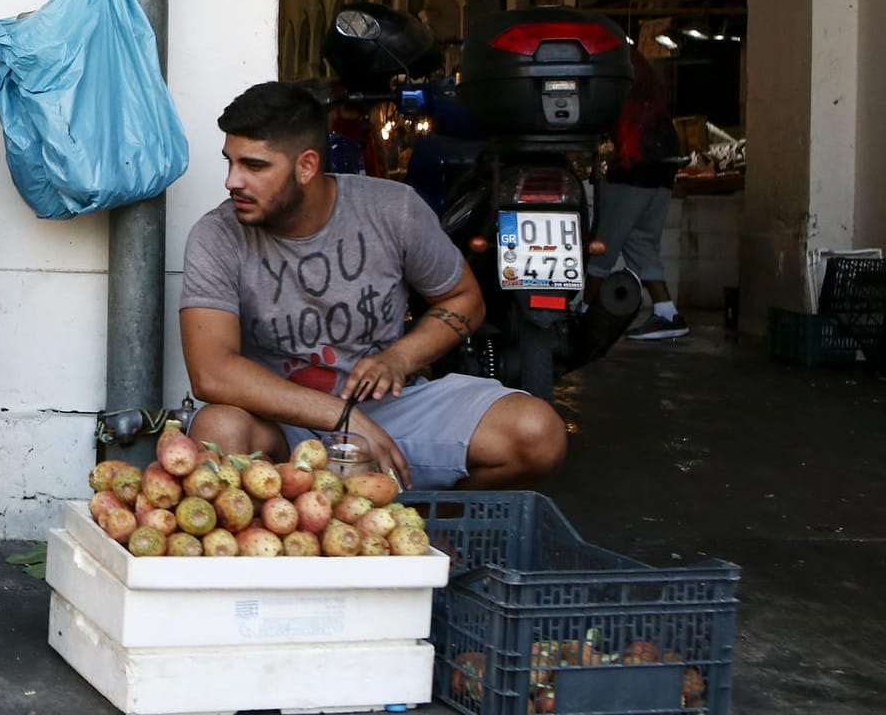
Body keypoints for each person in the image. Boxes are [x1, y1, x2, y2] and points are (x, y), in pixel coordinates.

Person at [180, 82, 566, 490]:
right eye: (231, 163)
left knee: (538, 432)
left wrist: (400, 357)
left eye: (254, 166)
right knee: (218, 428)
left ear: (306, 166)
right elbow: (211, 372)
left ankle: (432, 532)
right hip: (280, 422)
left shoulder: (393, 210)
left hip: (389, 413)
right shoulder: (217, 235)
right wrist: (340, 416)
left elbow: (465, 300)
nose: (232, 182)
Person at [589, 47, 688, 340]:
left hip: (636, 159)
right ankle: (667, 314)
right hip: (665, 157)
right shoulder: (636, 63)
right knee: (641, 240)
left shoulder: (609, 61)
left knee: (603, 245)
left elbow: (598, 112)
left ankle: (581, 314)